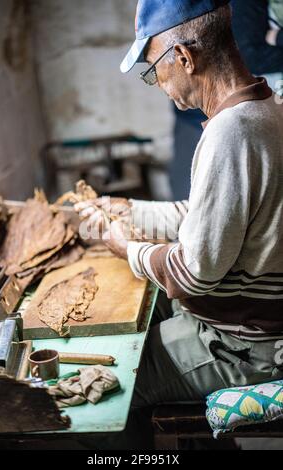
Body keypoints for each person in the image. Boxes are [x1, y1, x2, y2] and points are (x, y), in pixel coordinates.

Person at [76, 0, 283, 449]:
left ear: (185, 58)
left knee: (107, 387)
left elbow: (194, 273)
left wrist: (125, 248)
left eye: (154, 71)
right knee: (135, 329)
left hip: (244, 345)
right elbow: (206, 216)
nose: (158, 84)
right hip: (240, 326)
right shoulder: (265, 107)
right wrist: (128, 209)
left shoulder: (233, 132)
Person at [171, 0, 283, 200]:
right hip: (202, 114)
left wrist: (277, 37)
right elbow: (252, 54)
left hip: (234, 110)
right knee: (200, 196)